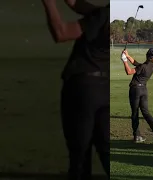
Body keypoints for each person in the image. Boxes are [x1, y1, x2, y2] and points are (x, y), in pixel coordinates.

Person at [41, 0, 109, 179]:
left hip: (82, 91)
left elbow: (61, 33)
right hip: (106, 91)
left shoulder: (104, 15)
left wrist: (49, 4)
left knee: (79, 159)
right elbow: (80, 6)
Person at [120, 48, 153, 144]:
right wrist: (127, 55)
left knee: (135, 113)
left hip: (135, 90)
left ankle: (137, 135)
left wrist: (124, 61)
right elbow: (137, 64)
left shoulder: (143, 66)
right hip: (144, 90)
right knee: (145, 112)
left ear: (147, 55)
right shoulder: (151, 66)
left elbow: (129, 72)